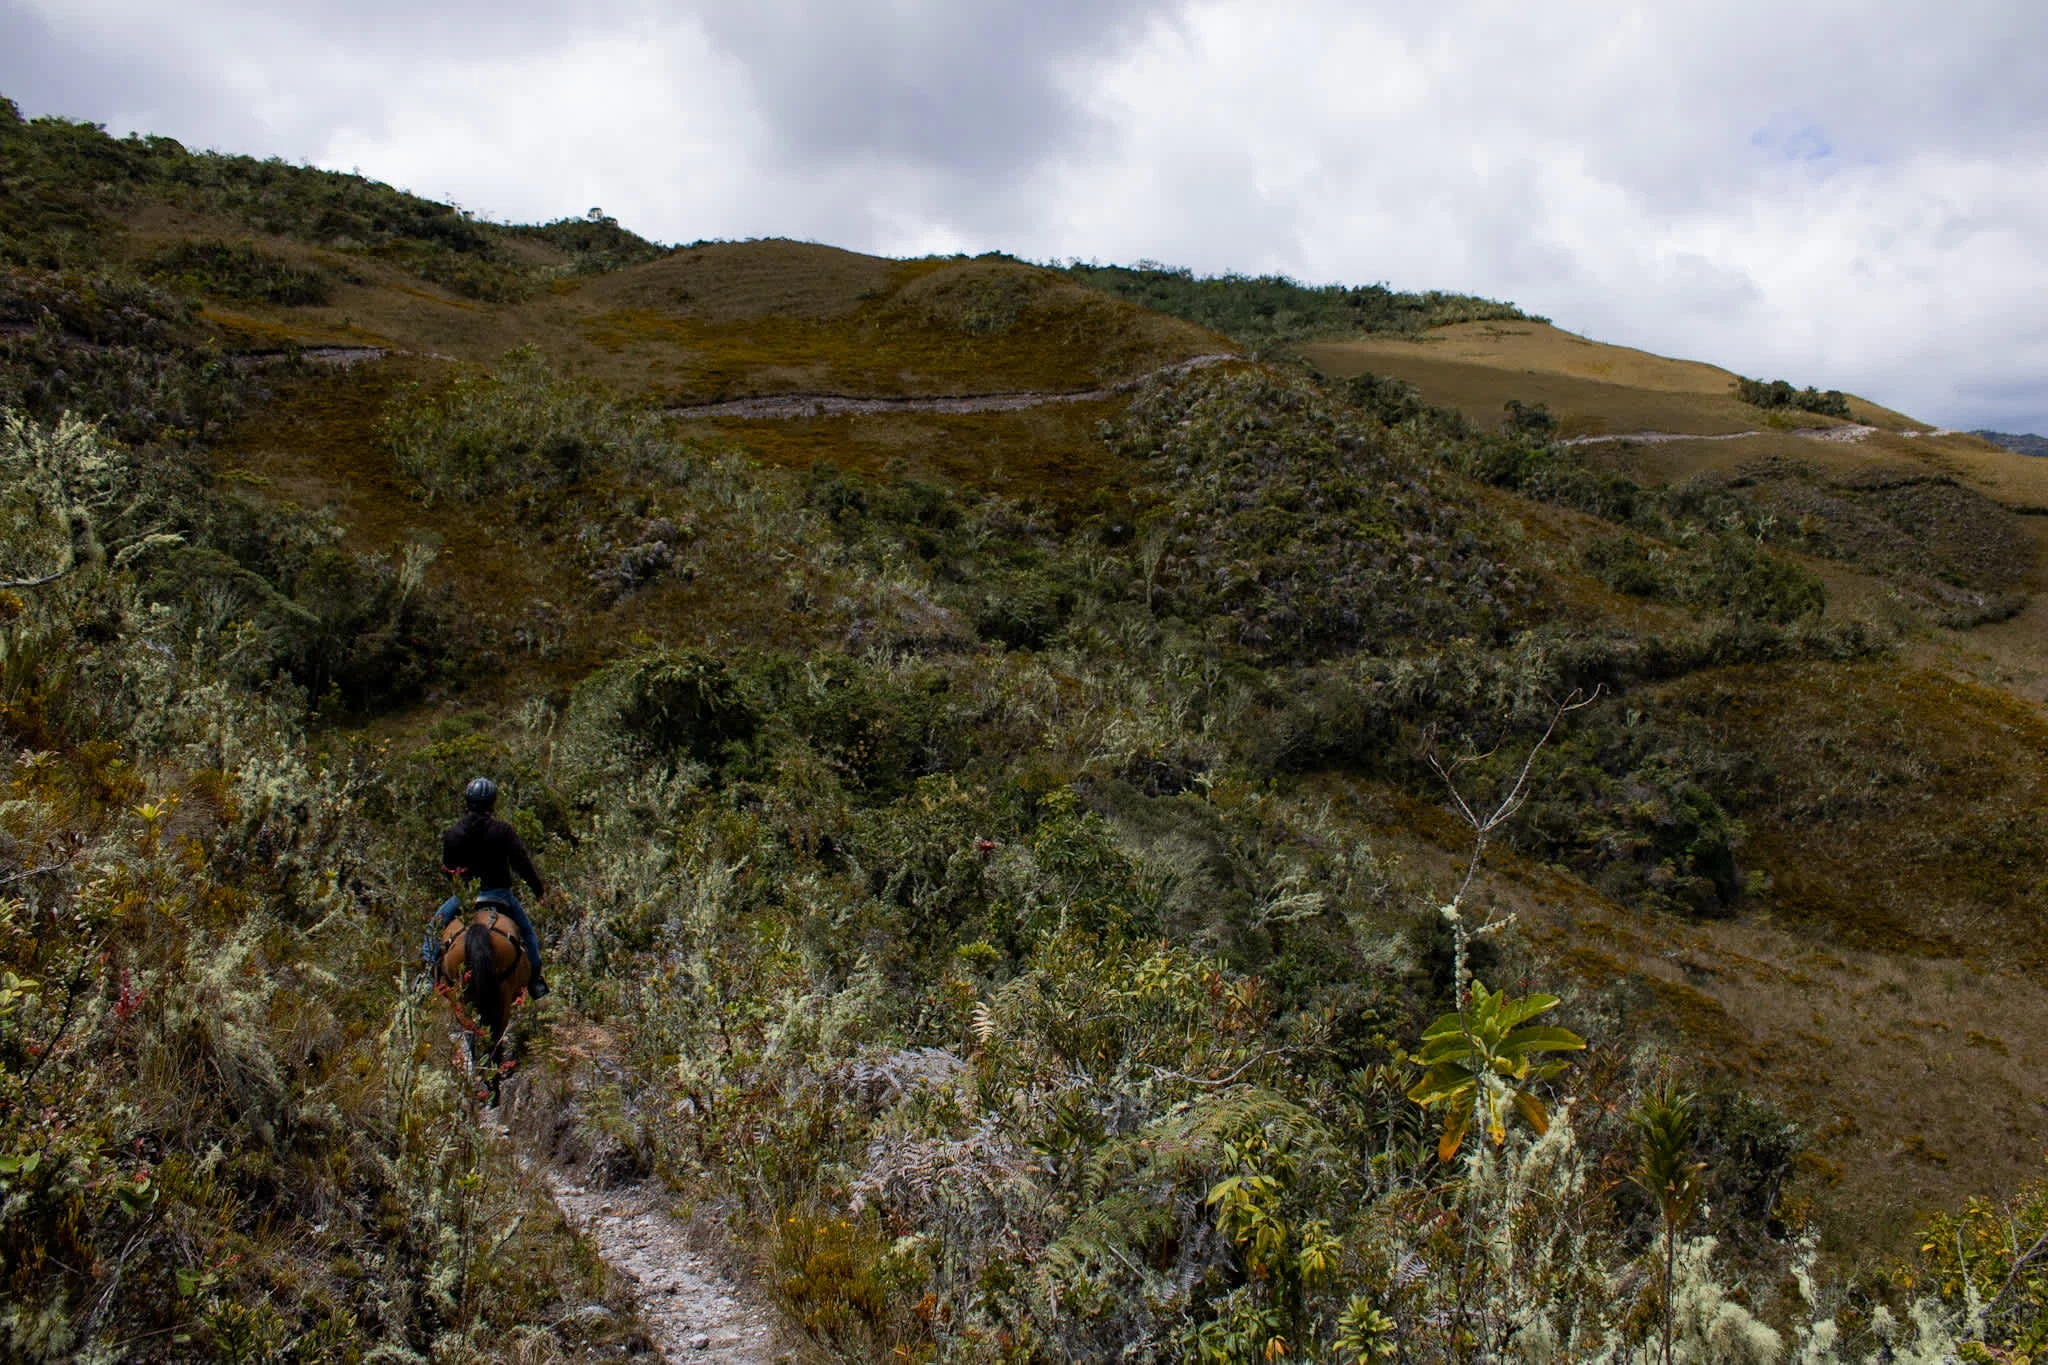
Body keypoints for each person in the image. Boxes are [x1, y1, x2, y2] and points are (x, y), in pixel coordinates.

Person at [425, 776, 550, 999]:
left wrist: (460, 888)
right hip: (500, 895)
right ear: (492, 804)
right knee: (529, 934)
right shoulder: (503, 831)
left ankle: (425, 977)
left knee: (431, 931)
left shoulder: (453, 833)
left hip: (465, 898)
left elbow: (447, 868)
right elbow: (522, 864)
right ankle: (535, 981)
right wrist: (538, 890)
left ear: (467, 802)